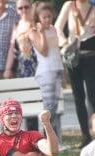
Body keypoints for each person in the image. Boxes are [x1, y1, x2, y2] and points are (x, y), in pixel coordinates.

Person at [55, 0, 95, 147]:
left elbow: (92, 32)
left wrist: (92, 25)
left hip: (89, 56)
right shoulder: (68, 6)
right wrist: (64, 43)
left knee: (93, 96)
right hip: (73, 57)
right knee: (78, 97)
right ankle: (85, 135)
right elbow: (58, 26)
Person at [30, 2, 64, 139]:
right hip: (46, 72)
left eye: (49, 17)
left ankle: (54, 139)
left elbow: (57, 51)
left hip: (58, 70)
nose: (47, 20)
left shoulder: (54, 29)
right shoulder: (33, 32)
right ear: (38, 18)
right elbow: (43, 51)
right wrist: (42, 33)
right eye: (44, 17)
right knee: (49, 108)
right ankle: (47, 137)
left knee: (54, 108)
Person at [4, 0, 36, 79]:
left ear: (31, 7)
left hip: (39, 66)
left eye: (26, 7)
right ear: (17, 10)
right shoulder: (16, 26)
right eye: (20, 8)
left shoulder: (37, 23)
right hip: (22, 67)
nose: (24, 10)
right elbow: (12, 49)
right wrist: (7, 69)